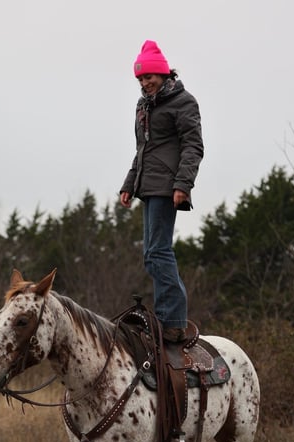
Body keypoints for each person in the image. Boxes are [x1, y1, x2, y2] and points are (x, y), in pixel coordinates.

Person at [120, 40, 204, 343]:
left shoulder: (183, 102)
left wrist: (183, 184)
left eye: (150, 76)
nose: (145, 83)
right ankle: (167, 318)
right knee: (150, 254)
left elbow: (193, 146)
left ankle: (172, 322)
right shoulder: (144, 106)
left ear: (164, 73)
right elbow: (143, 150)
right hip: (148, 185)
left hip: (168, 185)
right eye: (141, 79)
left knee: (158, 251)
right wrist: (129, 184)